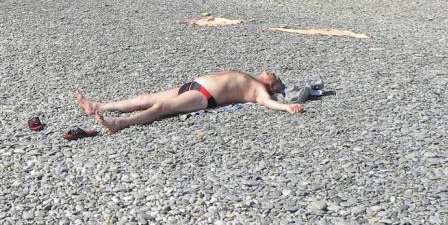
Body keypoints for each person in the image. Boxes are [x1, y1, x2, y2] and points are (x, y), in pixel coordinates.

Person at [77, 71, 301, 133]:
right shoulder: (252, 77)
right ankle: (97, 106)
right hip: (193, 85)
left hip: (204, 97)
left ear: (273, 85)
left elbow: (268, 103)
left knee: (161, 109)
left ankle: (119, 123)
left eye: (275, 76)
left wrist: (286, 106)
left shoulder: (259, 90)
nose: (271, 72)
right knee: (144, 98)